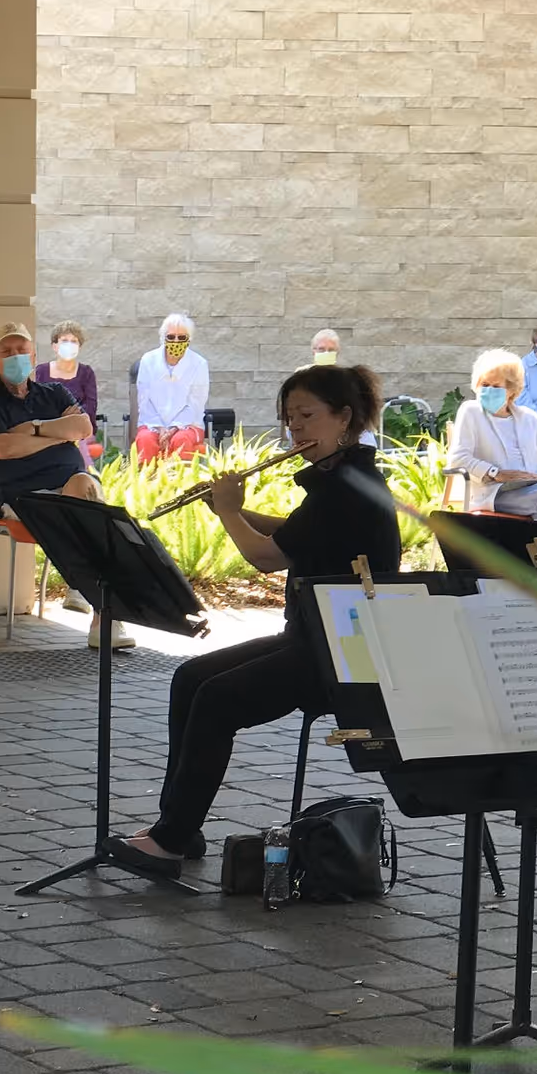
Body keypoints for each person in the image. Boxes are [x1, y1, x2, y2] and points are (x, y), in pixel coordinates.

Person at [105, 364, 401, 877]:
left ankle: (170, 840)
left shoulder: (348, 485)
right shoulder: (340, 478)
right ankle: (177, 828)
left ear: (344, 418)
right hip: (314, 635)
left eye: (307, 416)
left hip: (345, 650)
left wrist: (228, 513)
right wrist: (234, 507)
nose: (297, 430)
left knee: (218, 700)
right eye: (290, 418)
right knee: (190, 676)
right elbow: (298, 534)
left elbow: (267, 557)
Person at [0, 321, 129, 648]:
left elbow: (83, 427)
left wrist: (34, 430)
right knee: (82, 521)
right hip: (23, 497)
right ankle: (103, 610)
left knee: (86, 489)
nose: (15, 357)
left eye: (21, 351)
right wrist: (57, 437)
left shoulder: (55, 392)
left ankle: (95, 604)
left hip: (70, 485)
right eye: (7, 352)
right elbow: (2, 448)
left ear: (33, 355)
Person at [446, 349, 537, 521]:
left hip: (533, 489)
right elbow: (458, 458)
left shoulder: (528, 417)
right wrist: (496, 473)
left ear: (512, 390)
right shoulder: (471, 411)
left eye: (496, 386)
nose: (489, 390)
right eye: (485, 385)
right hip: (493, 492)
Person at [133, 314, 209, 464]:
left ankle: (182, 485)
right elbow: (144, 400)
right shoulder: (148, 360)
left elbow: (196, 403)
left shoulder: (199, 364)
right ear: (163, 338)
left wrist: (174, 428)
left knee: (181, 439)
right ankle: (147, 484)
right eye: (171, 337)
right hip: (152, 423)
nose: (176, 341)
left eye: (181, 337)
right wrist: (161, 428)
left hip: (188, 425)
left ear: (189, 339)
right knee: (146, 439)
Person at [46, 321, 101, 464]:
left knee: (78, 446)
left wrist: (71, 422)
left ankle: (83, 476)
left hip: (79, 430)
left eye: (74, 341)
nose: (69, 344)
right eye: (64, 340)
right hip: (48, 429)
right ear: (55, 346)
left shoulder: (86, 373)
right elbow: (38, 403)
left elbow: (90, 406)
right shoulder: (41, 371)